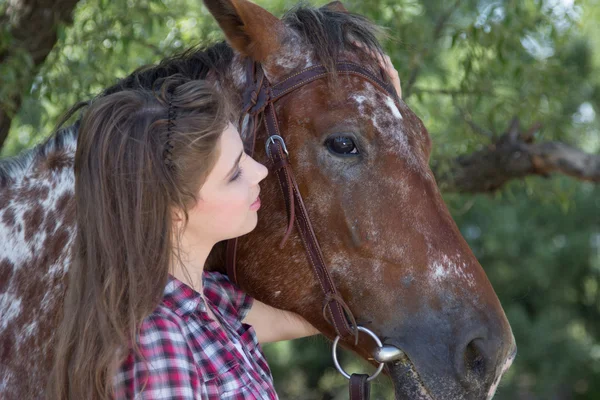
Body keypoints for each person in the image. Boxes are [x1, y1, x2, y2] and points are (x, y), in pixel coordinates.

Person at [49, 56, 401, 400]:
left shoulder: (214, 299)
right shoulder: (159, 344)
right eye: (234, 173)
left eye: (244, 157)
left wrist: (387, 112)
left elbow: (316, 314)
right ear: (172, 211)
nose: (259, 173)